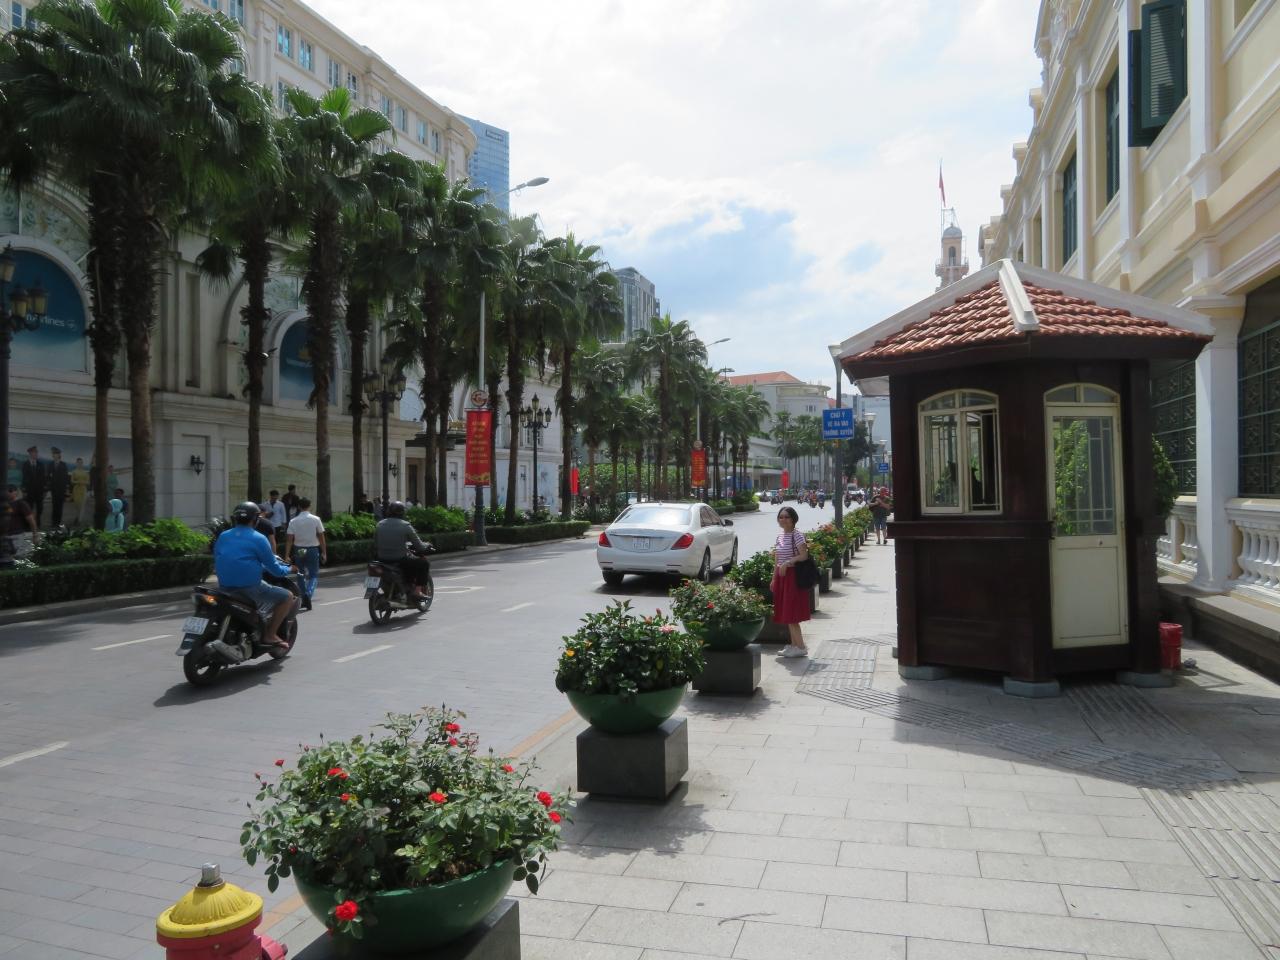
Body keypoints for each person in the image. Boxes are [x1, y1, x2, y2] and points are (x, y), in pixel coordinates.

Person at [213, 501, 297, 647]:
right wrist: (289, 569)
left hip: (224, 587)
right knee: (287, 597)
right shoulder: (258, 538)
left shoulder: (224, 536)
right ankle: (270, 635)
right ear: (255, 519)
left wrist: (258, 567)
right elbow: (276, 570)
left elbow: (222, 558)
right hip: (250, 588)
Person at [771, 506, 810, 658]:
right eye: (781, 517)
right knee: (787, 612)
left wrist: (788, 563)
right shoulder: (780, 536)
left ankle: (800, 647)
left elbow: (804, 555)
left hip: (793, 577)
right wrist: (774, 578)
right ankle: (794, 645)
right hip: (782, 577)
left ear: (793, 519)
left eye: (787, 517)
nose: (783, 519)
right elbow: (777, 559)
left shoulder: (797, 535)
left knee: (792, 613)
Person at [374, 500, 431, 599]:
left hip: (381, 559)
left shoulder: (379, 524)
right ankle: (417, 592)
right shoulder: (405, 525)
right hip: (399, 559)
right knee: (424, 563)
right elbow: (419, 545)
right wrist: (427, 545)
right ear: (402, 512)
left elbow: (376, 543)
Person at [286, 497, 327, 610]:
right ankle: (308, 594)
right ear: (309, 506)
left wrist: (287, 555)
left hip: (299, 549)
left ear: (299, 507)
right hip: (312, 549)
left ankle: (304, 597)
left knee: (300, 574)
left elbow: (289, 539)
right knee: (313, 575)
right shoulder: (316, 519)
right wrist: (324, 552)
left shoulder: (293, 521)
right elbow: (321, 537)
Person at [3, 486, 39, 558]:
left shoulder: (21, 503)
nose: (8, 493)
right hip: (5, 536)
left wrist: (35, 535)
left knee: (17, 557)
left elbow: (31, 520)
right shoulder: (4, 504)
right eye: (6, 491)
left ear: (16, 492)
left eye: (10, 491)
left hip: (16, 535)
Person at [21, 446, 46, 528]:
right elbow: (24, 478)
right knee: (29, 508)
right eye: (33, 452)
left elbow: (43, 478)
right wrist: (24, 490)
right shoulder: (25, 464)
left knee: (40, 508)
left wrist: (44, 490)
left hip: (39, 491)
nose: (35, 454)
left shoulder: (41, 464)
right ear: (30, 454)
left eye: (36, 452)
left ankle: (38, 524)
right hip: (29, 491)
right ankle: (28, 525)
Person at [47, 447, 70, 528]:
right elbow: (48, 477)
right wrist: (49, 488)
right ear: (53, 455)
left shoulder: (63, 465)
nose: (55, 455)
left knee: (60, 506)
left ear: (59, 455)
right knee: (54, 506)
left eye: (56, 454)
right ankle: (54, 522)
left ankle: (58, 522)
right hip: (53, 489)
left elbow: (66, 478)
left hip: (61, 489)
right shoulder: (50, 464)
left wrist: (66, 490)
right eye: (54, 454)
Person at [70, 457, 90, 527]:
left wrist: (83, 482)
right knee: (77, 505)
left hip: (83, 490)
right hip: (76, 490)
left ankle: (79, 520)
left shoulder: (85, 472)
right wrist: (78, 482)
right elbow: (72, 481)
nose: (80, 464)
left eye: (81, 463)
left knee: (82, 505)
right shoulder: (74, 472)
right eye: (78, 462)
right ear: (76, 463)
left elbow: (88, 482)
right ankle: (77, 517)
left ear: (82, 463)